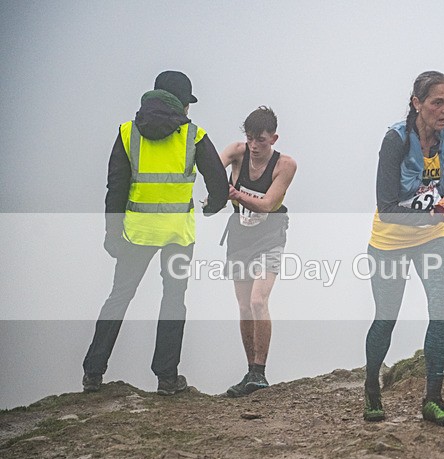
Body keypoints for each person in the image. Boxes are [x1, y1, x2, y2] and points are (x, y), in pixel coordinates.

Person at [82, 71, 229, 395]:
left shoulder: (127, 132)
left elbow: (116, 186)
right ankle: (166, 377)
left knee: (119, 297)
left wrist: (112, 232)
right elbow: (218, 181)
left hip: (136, 232)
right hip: (178, 234)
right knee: (174, 299)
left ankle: (93, 372)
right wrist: (212, 206)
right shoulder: (193, 134)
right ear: (182, 102)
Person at [364, 71, 444, 426]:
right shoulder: (395, 140)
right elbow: (388, 207)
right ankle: (372, 391)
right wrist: (438, 213)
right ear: (417, 103)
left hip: (432, 237)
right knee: (386, 317)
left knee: (442, 309)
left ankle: (434, 400)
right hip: (390, 239)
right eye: (437, 102)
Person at [218, 106, 297, 397]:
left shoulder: (285, 165)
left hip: (270, 234)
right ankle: (249, 371)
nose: (254, 145)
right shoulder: (238, 152)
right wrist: (215, 187)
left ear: (273, 139)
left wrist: (236, 193)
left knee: (258, 300)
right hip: (239, 235)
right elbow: (214, 166)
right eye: (250, 138)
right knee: (242, 306)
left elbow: (266, 204)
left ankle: (260, 373)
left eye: (261, 140)